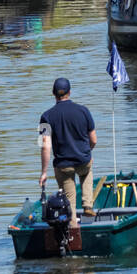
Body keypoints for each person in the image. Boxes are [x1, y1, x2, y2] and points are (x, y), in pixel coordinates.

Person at [39, 78, 96, 227]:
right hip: (83, 161)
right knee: (87, 171)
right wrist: (86, 152)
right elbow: (94, 140)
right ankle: (87, 204)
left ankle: (73, 232)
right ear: (70, 92)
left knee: (69, 201)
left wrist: (43, 173)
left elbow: (45, 146)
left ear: (53, 94)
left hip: (63, 166)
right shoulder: (84, 111)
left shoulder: (45, 116)